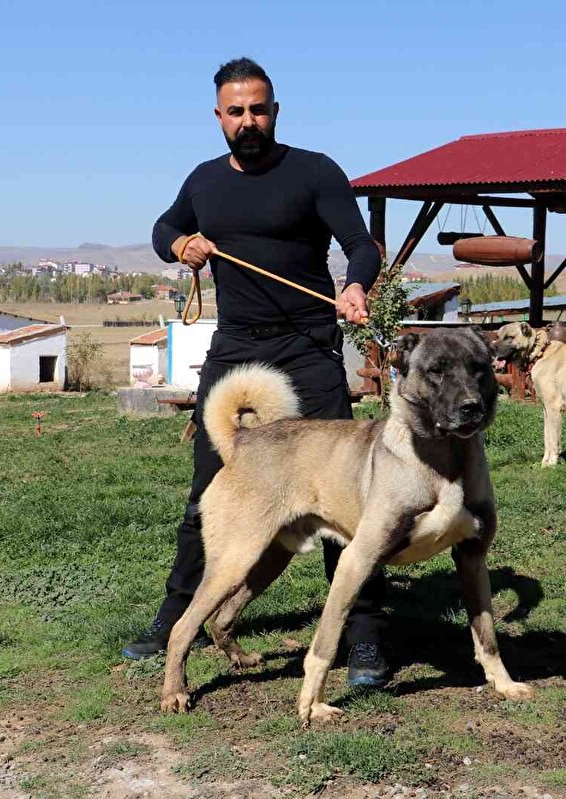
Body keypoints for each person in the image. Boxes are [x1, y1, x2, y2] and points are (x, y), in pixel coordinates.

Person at [121, 57, 390, 687]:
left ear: (275, 111)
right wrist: (179, 245)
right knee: (207, 495)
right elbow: (165, 226)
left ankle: (366, 638)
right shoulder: (205, 181)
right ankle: (174, 620)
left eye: (258, 109)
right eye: (235, 111)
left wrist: (355, 285)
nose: (248, 120)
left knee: (348, 495)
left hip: (308, 350)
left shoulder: (315, 172)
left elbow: (360, 243)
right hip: (236, 349)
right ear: (218, 117)